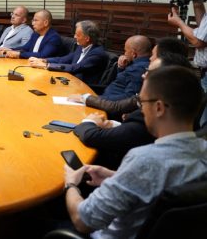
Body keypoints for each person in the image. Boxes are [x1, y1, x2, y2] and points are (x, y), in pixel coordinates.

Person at [62, 65, 207, 238]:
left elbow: (82, 221)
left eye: (142, 102)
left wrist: (71, 184)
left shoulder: (143, 160)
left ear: (159, 108)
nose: (141, 109)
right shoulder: (203, 149)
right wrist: (116, 176)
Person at [70, 54, 192, 169]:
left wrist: (89, 121)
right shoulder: (180, 107)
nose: (143, 75)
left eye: (148, 72)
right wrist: (112, 124)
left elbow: (92, 137)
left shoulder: (146, 120)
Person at [28, 20, 108, 84]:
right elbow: (64, 59)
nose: (74, 37)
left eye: (77, 35)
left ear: (87, 38)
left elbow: (76, 67)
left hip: (84, 87)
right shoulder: (81, 47)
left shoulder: (97, 54)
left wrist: (47, 65)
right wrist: (44, 60)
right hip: (70, 81)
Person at [100, 35, 151, 101]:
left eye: (125, 51)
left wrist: (98, 99)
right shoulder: (136, 64)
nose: (124, 54)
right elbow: (122, 84)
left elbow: (128, 97)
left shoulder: (138, 68)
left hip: (108, 102)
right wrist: (121, 67)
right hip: (105, 99)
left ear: (133, 53)